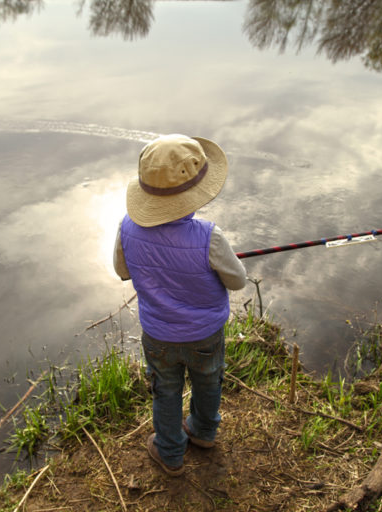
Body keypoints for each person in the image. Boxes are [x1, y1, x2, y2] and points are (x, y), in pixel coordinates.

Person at [113, 133, 247, 476]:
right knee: (208, 383)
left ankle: (170, 452)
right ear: (195, 194)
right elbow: (237, 280)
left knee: (165, 392)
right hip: (205, 335)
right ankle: (203, 433)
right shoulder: (209, 237)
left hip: (158, 336)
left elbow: (122, 270)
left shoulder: (127, 227)